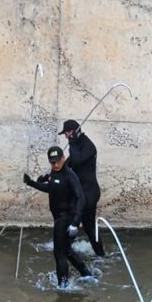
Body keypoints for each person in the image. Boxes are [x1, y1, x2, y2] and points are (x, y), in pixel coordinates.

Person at [23, 146, 91, 288]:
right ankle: (86, 273)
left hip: (66, 219)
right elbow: (50, 188)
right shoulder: (54, 174)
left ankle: (63, 286)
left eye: (57, 161)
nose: (55, 165)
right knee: (66, 250)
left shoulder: (70, 176)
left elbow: (81, 199)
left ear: (63, 159)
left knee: (58, 253)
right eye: (52, 162)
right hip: (59, 218)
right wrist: (31, 183)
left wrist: (75, 222)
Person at [59, 120, 105, 257]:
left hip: (89, 192)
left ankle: (99, 254)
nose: (66, 137)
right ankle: (65, 249)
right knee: (82, 223)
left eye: (67, 134)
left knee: (87, 224)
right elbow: (68, 165)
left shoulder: (88, 146)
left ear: (73, 132)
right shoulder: (77, 146)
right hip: (81, 192)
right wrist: (50, 176)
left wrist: (72, 143)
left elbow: (78, 160)